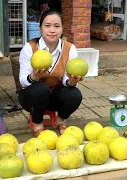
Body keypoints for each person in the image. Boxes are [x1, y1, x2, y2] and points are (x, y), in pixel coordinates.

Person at [18, 9, 83, 137]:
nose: (52, 30)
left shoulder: (70, 48)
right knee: (40, 89)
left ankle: (60, 119)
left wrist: (71, 82)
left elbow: (65, 79)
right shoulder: (29, 47)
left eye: (57, 26)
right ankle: (37, 123)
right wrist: (35, 76)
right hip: (31, 97)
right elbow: (23, 81)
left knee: (75, 94)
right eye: (47, 26)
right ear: (40, 28)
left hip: (54, 96)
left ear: (62, 29)